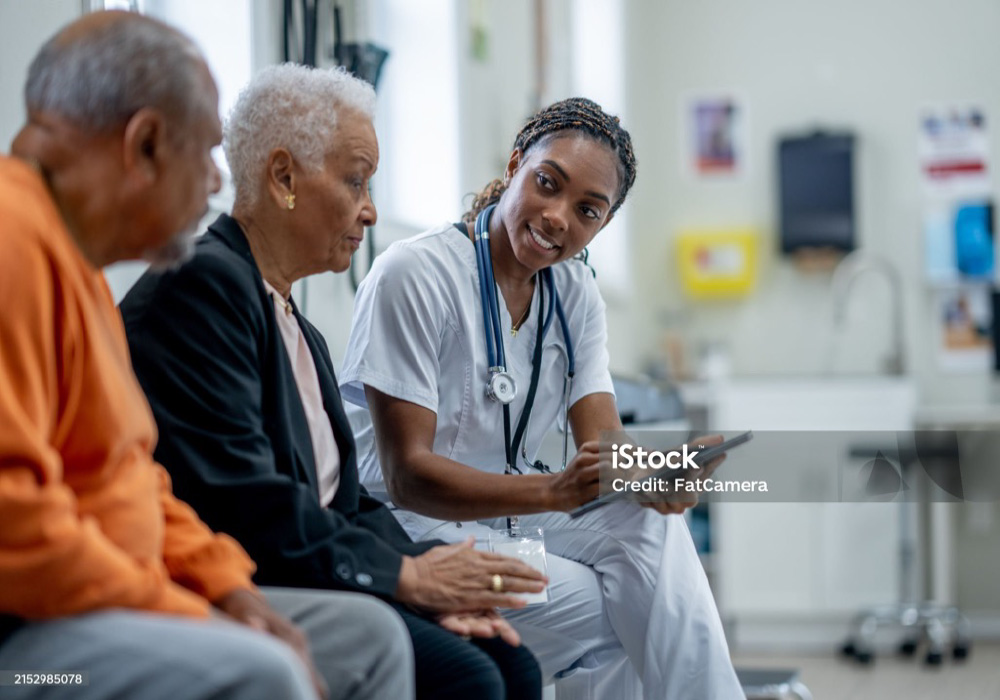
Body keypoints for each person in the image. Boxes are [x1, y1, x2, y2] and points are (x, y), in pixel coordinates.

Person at [0, 12, 414, 700]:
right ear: (147, 145)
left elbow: (130, 484)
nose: (217, 183)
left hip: (102, 598)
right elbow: (14, 525)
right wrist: (185, 606)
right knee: (262, 669)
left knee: (367, 639)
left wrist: (224, 586)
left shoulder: (81, 275)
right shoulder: (14, 245)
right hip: (23, 651)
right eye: (206, 154)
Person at [119, 63, 545, 700]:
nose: (370, 210)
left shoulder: (296, 323)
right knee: (468, 677)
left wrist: (427, 573)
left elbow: (344, 502)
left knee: (512, 662)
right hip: (250, 575)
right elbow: (243, 500)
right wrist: (405, 578)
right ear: (284, 176)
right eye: (356, 180)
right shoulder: (204, 286)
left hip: (309, 563)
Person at [339, 97, 745, 699]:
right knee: (630, 604)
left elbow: (605, 449)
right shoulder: (415, 273)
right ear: (514, 166)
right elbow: (405, 478)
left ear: (602, 226)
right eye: (547, 184)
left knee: (648, 534)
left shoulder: (575, 290)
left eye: (587, 210)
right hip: (411, 525)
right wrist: (553, 490)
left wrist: (656, 475)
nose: (558, 218)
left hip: (514, 510)